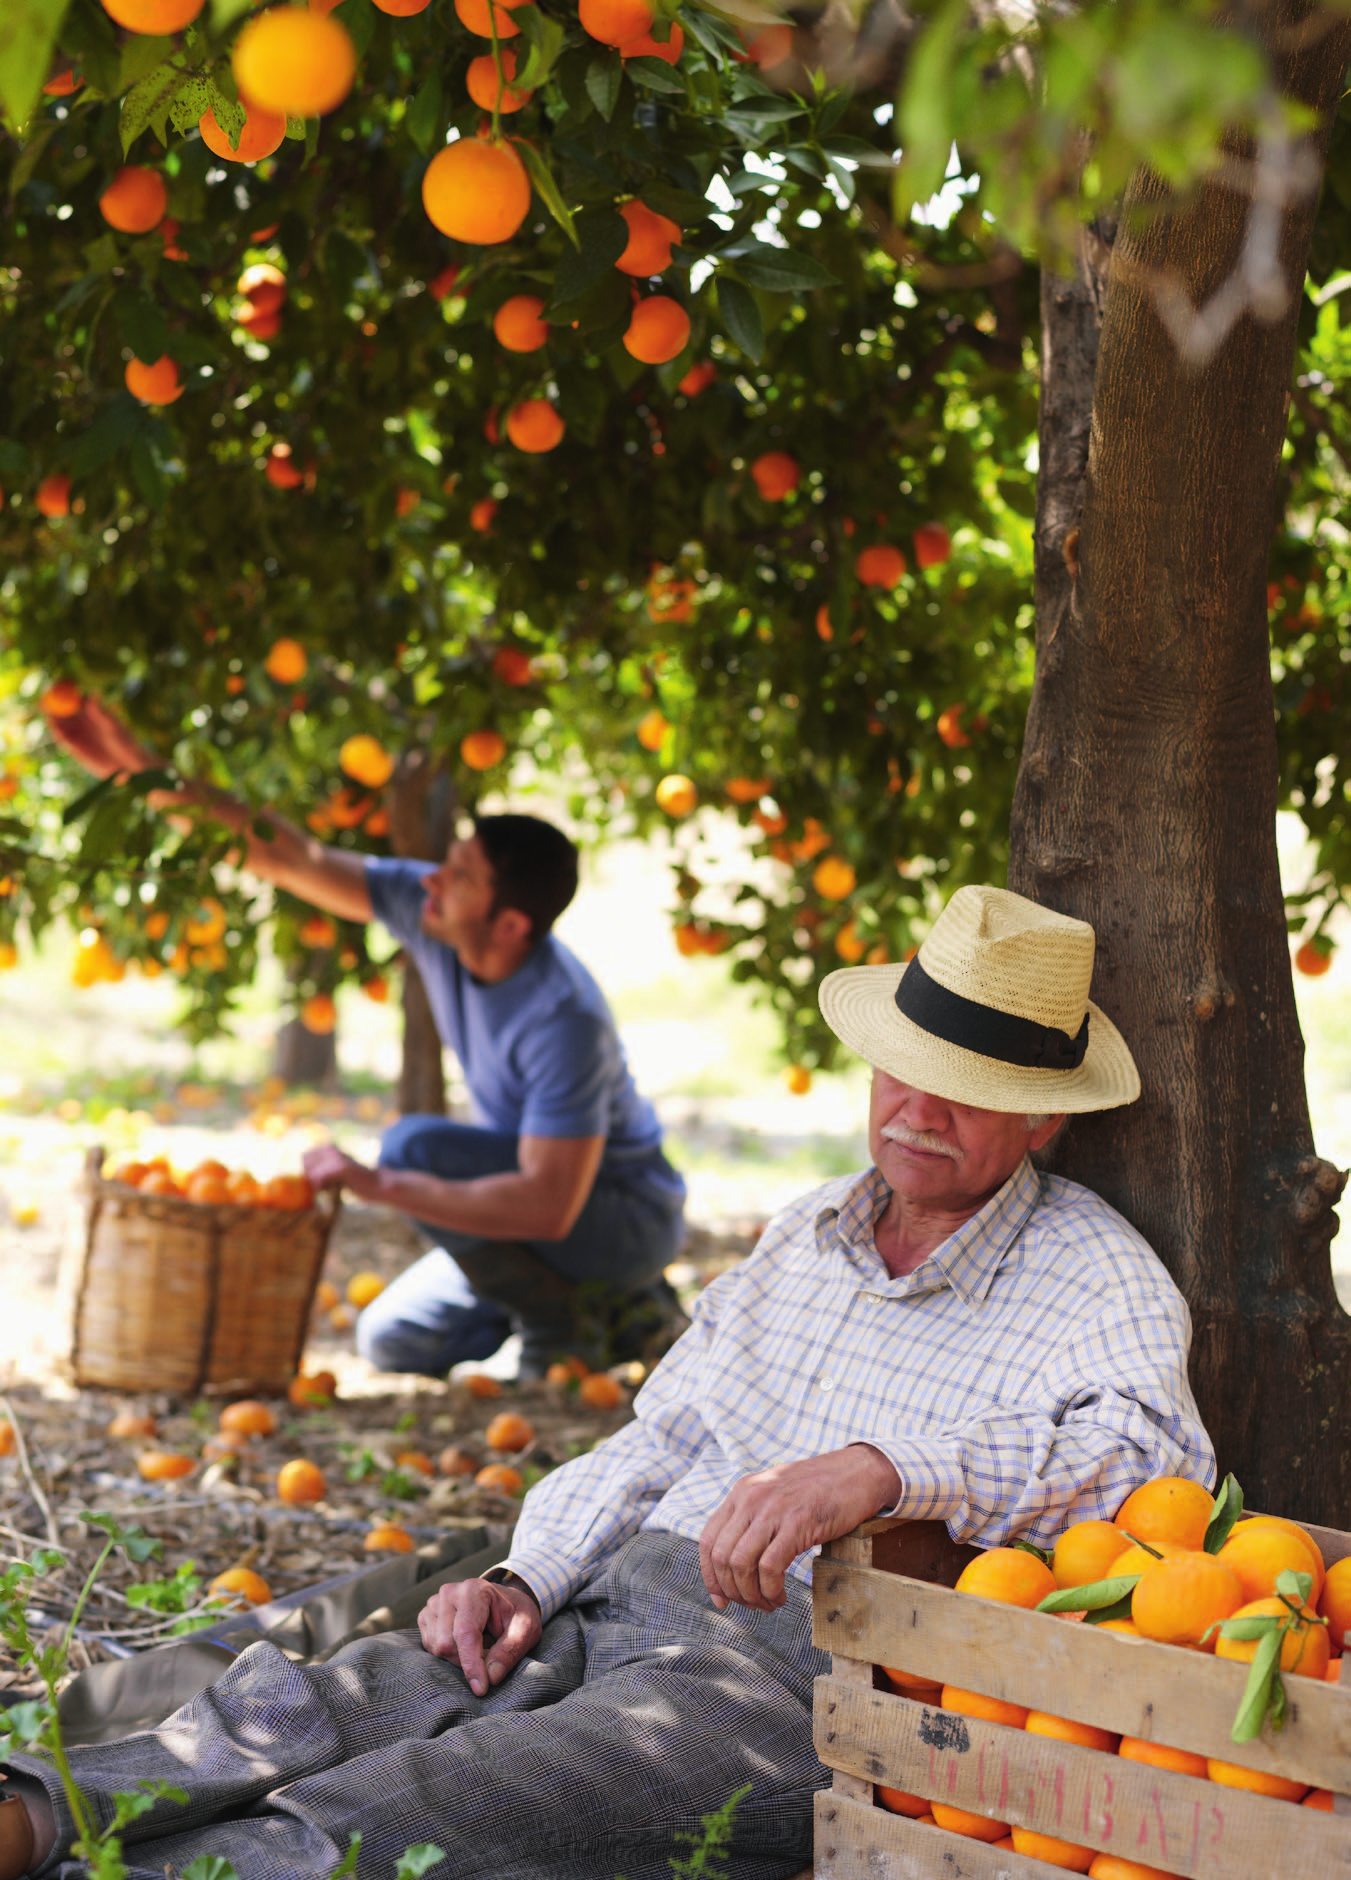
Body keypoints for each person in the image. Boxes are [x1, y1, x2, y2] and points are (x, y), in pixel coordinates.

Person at [0, 885, 1214, 1880]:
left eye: (971, 1088)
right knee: (332, 1699)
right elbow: (664, 1428)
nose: (919, 1109)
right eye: (903, 1065)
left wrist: (886, 1470)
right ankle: (34, 1816)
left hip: (793, 1672)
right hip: (614, 1594)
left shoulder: (1091, 1271)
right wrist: (528, 1570)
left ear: (1042, 1122)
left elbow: (1161, 1463)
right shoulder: (808, 1230)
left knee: (441, 1800)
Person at [46, 697, 688, 1378]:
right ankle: (624, 1312)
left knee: (415, 1146)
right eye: (451, 862)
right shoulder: (436, 913)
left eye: (462, 878)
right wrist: (141, 772)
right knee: (394, 1340)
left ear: (508, 925)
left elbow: (547, 1204)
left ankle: (567, 1318)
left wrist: (382, 1183)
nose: (433, 879)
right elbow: (293, 857)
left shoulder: (564, 1019)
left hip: (622, 1221)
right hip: (544, 1209)